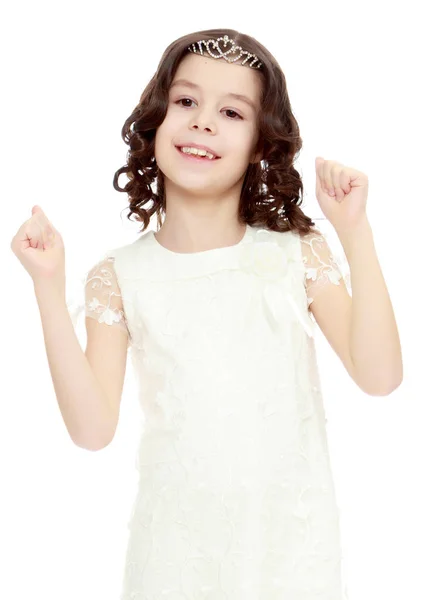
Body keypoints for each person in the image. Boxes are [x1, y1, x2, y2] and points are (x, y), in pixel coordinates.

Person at [11, 28, 403, 600]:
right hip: (173, 561)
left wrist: (354, 231)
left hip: (290, 556)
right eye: (187, 102)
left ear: (261, 144)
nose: (202, 122)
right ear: (156, 120)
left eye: (231, 111)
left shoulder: (294, 254)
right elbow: (93, 430)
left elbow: (380, 375)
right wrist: (48, 287)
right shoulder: (120, 277)